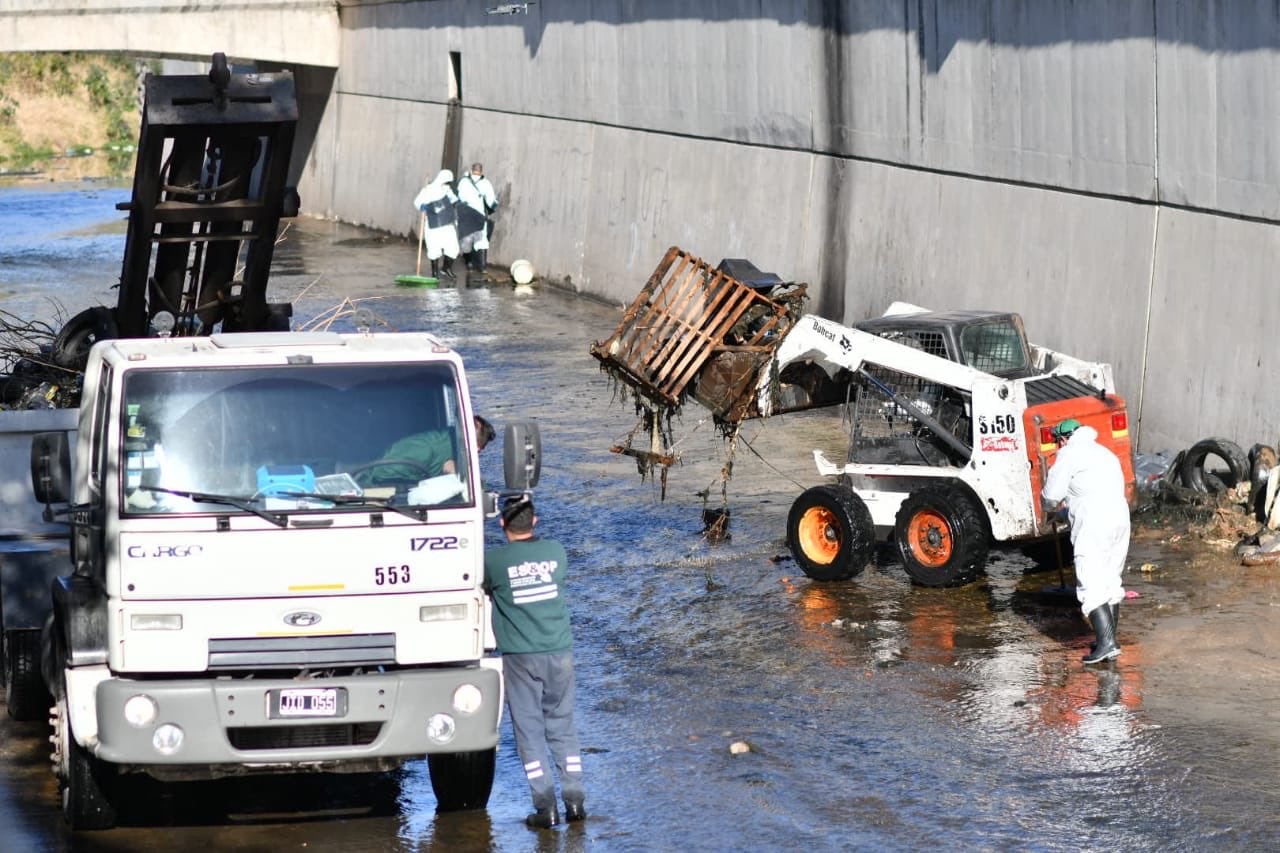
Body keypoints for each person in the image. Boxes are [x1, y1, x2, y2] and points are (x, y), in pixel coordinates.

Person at [483, 495, 586, 828]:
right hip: (560, 652)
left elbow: (482, 587)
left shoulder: (494, 562)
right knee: (562, 727)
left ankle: (545, 808)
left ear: (502, 524)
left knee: (529, 732)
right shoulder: (556, 553)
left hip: (521, 658)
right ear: (535, 521)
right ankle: (575, 802)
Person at [1041, 417, 1130, 665]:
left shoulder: (1069, 454)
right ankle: (1109, 639)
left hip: (1094, 524)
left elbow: (1052, 496)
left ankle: (1107, 644)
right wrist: (1066, 512)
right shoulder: (1104, 453)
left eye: (1058, 441)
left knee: (1090, 583)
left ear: (1063, 439)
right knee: (1110, 581)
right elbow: (1092, 489)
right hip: (1120, 520)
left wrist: (1048, 506)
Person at [412, 169, 460, 280]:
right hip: (433, 223)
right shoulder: (428, 190)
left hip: (447, 223)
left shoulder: (447, 190)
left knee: (453, 247)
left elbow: (454, 200)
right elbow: (417, 202)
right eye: (446, 182)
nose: (447, 184)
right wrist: (422, 206)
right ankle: (434, 273)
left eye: (449, 182)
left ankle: (446, 268)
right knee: (434, 247)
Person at [455, 162, 498, 274]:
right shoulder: (485, 183)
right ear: (481, 171)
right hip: (478, 214)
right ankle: (482, 267)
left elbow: (457, 196)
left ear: (471, 170)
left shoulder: (463, 181)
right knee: (481, 239)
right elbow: (491, 201)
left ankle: (469, 263)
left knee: (466, 237)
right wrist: (492, 208)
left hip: (465, 213)